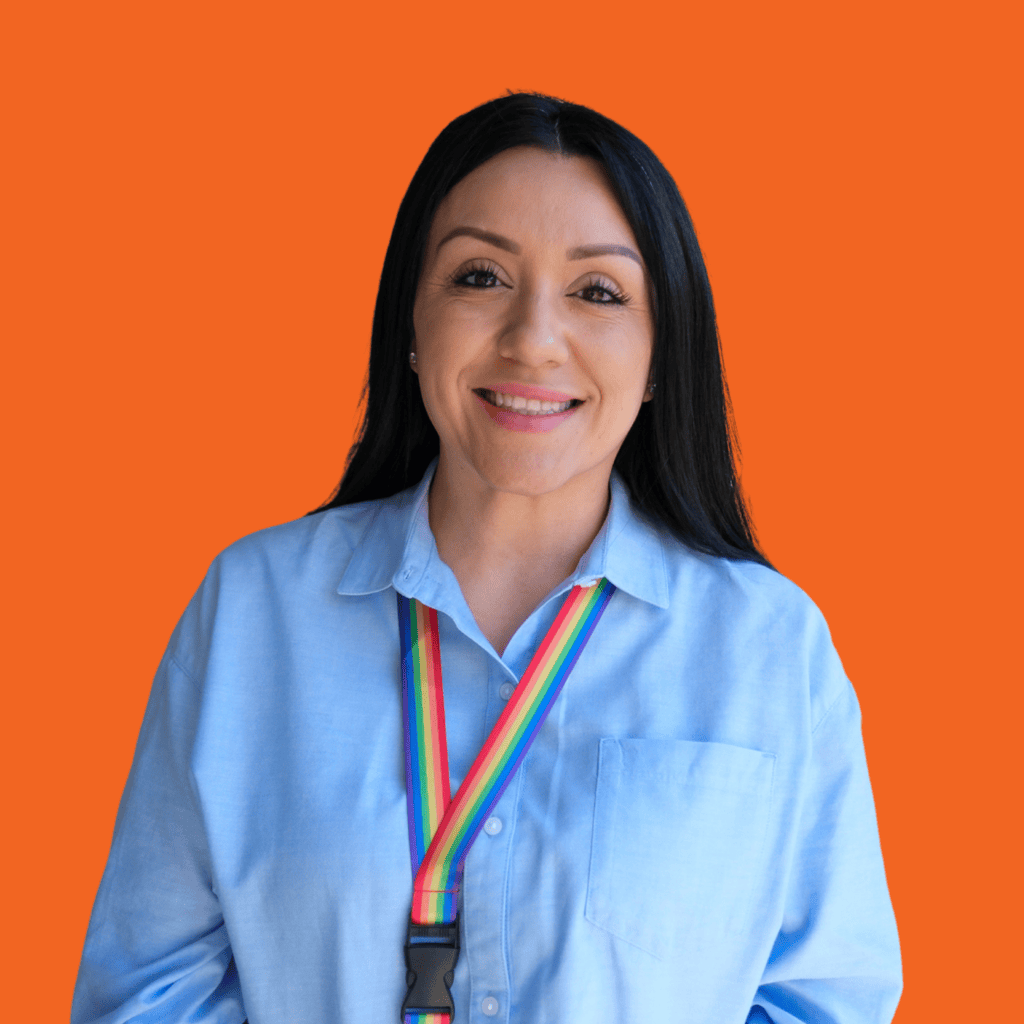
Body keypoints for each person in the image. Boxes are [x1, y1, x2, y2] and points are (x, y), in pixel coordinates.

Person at [72, 92, 902, 1023]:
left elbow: (821, 998)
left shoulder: (768, 646)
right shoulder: (252, 611)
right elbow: (150, 991)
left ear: (662, 356)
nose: (534, 340)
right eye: (480, 277)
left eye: (598, 292)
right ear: (412, 328)